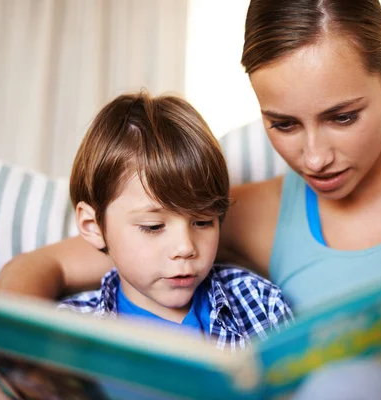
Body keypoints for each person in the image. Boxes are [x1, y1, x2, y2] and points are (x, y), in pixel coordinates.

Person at [0, 0, 381, 398]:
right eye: (283, 124)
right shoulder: (249, 214)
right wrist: (16, 364)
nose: (314, 158)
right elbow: (40, 265)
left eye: (342, 116)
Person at [58, 91, 293, 350]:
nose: (186, 247)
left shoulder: (259, 303)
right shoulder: (68, 331)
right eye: (154, 227)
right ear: (93, 227)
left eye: (203, 222)